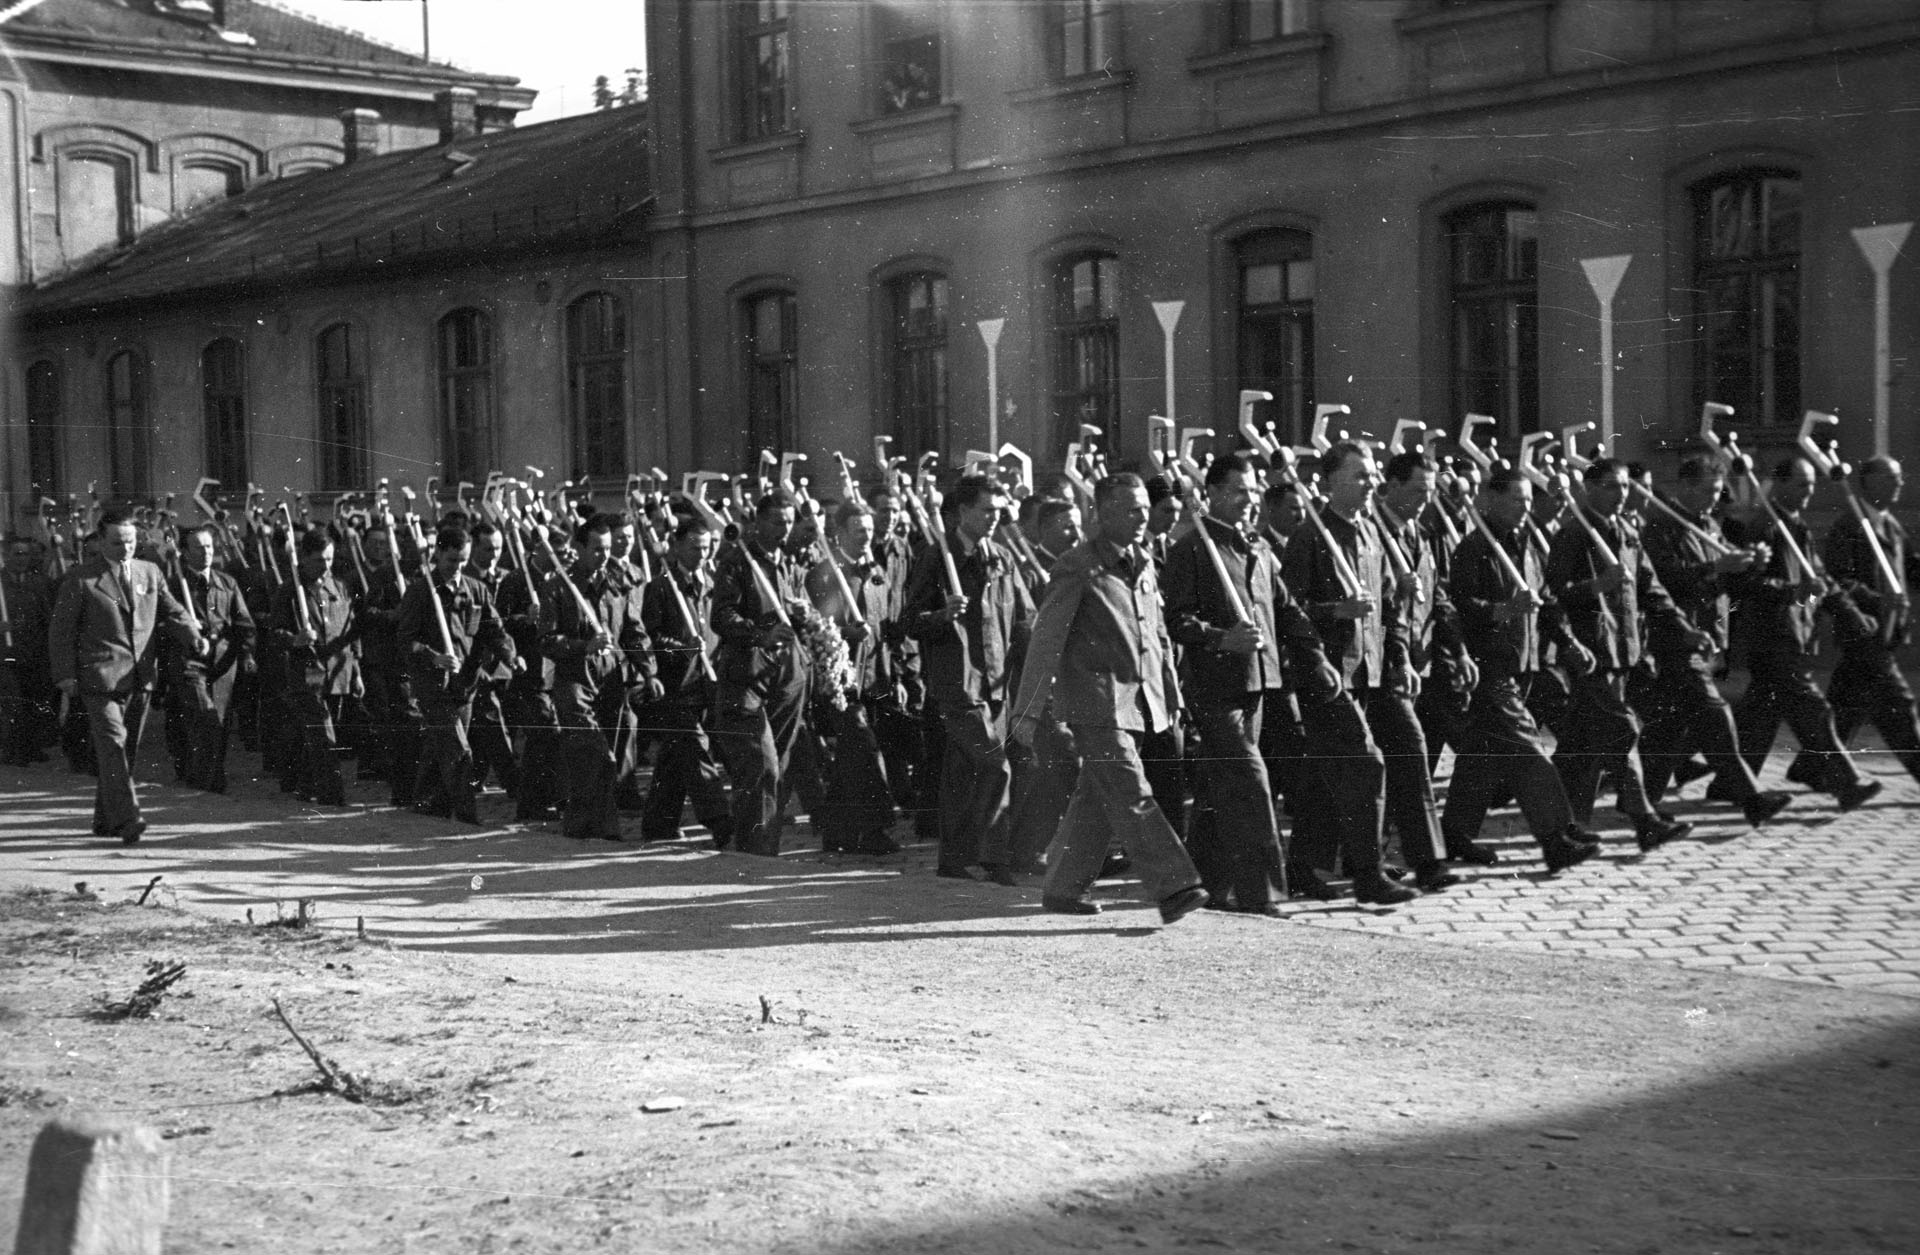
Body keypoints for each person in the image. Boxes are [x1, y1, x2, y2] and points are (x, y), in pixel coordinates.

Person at [1011, 473, 1209, 924]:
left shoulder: (1141, 562)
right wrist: (1028, 710)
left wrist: (1170, 693)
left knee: (1097, 796)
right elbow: (1047, 640)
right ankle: (1175, 885)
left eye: (1144, 509)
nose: (1143, 518)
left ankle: (1062, 887)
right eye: (1131, 510)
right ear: (1101, 513)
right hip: (1094, 703)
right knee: (1129, 788)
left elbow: (1154, 634)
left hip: (1138, 701)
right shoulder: (1077, 565)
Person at [1164, 453, 1336, 914]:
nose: (1249, 499)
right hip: (1215, 688)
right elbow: (1175, 620)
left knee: (1221, 787)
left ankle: (1203, 884)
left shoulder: (1258, 549)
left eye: (1253, 490)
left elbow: (1286, 610)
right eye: (1239, 491)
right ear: (1213, 494)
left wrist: (1316, 658)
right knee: (1251, 782)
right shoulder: (1192, 550)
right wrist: (1223, 638)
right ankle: (1263, 894)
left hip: (1260, 684)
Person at [1282, 443, 1441, 903]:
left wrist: (1399, 660)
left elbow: (1389, 607)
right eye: (1359, 476)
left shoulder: (1371, 534)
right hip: (1329, 677)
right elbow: (1289, 610)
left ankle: (1301, 867)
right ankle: (1368, 874)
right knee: (1364, 764)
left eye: (1372, 476)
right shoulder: (1310, 536)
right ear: (1331, 482)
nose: (1370, 483)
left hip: (1371, 672)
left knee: (1328, 774)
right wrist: (1335, 611)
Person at [1441, 467, 1605, 872]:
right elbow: (1458, 607)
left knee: (1481, 756)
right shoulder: (1474, 548)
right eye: (1516, 500)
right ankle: (1556, 838)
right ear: (1491, 501)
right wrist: (1502, 610)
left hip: (1525, 664)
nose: (1524, 507)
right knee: (1529, 750)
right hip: (1489, 667)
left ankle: (1453, 837)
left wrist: (1568, 644)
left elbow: (1546, 602)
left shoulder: (1531, 545)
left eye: (1529, 500)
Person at [1543, 459, 1702, 849]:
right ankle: (1644, 819)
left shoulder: (1628, 532)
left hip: (1624, 650)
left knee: (1581, 743)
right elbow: (1554, 595)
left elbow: (1651, 589)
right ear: (1589, 489)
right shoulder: (1574, 534)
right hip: (1591, 651)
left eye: (1626, 487)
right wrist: (1597, 585)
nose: (1622, 494)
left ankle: (1568, 822)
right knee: (1621, 729)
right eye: (1613, 487)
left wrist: (1685, 629)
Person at [1639, 447, 1792, 825]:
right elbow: (1665, 580)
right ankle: (1752, 798)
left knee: (1669, 728)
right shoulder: (1663, 524)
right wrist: (1716, 566)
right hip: (1676, 636)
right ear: (1687, 487)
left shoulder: (1708, 524)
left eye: (1718, 491)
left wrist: (1748, 564)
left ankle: (1642, 803)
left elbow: (1725, 582)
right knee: (1713, 712)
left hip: (1707, 635)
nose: (1714, 499)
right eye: (1709, 491)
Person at [48, 505, 206, 842]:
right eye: (118, 543)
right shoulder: (81, 579)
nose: (126, 549)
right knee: (113, 747)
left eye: (131, 541)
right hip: (99, 677)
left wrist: (193, 635)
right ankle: (128, 818)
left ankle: (105, 820)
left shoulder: (150, 572)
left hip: (140, 676)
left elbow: (172, 610)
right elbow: (61, 631)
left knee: (125, 751)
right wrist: (64, 674)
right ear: (102, 542)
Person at [902, 475, 1033, 882]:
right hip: (957, 681)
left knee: (963, 770)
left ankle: (953, 860)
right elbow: (908, 621)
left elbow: (1023, 618)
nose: (994, 518)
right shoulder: (936, 557)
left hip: (996, 682)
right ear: (962, 512)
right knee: (997, 766)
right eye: (986, 511)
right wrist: (942, 614)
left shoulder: (1001, 557)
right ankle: (995, 858)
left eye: (998, 511)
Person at [1729, 457, 1878, 810]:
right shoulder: (1765, 525)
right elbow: (1747, 583)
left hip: (1795, 632)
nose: (1809, 491)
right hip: (1772, 635)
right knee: (1813, 709)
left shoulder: (1798, 526)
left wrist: (1851, 613)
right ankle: (1847, 783)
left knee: (1760, 715)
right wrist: (1792, 589)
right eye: (1801, 484)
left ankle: (1730, 782)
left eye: (1812, 484)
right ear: (1779, 484)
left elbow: (1821, 580)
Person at [710, 492, 814, 856]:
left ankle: (759, 846)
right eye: (776, 522)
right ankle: (756, 853)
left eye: (788, 522)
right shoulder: (738, 562)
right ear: (757, 522)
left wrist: (803, 614)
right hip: (747, 675)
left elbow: (800, 611)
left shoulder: (788, 562)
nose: (783, 529)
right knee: (761, 765)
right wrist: (760, 634)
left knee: (777, 768)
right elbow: (721, 616)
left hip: (786, 676)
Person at [544, 513, 656, 843]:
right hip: (575, 680)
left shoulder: (617, 585)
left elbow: (634, 632)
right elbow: (546, 641)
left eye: (607, 549)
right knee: (595, 753)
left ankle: (581, 823)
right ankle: (605, 828)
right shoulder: (559, 587)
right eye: (596, 548)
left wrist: (648, 671)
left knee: (607, 755)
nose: (604, 555)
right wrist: (583, 645)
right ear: (579, 548)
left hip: (611, 682)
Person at [399, 525, 516, 824]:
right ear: (438, 554)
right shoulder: (421, 591)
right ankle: (467, 815)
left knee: (440, 746)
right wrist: (433, 656)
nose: (457, 568)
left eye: (463, 561)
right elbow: (404, 640)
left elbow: (494, 629)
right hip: (433, 685)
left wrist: (511, 657)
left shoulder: (476, 589)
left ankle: (426, 804)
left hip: (465, 685)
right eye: (451, 560)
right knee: (457, 748)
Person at [1816, 456, 1920, 786]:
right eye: (1891, 478)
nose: (1900, 484)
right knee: (1898, 705)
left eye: (1900, 477)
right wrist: (1878, 601)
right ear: (1870, 482)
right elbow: (1839, 579)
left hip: (1886, 631)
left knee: (1847, 705)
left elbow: (1911, 568)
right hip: (1864, 629)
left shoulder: (1889, 524)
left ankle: (1814, 766)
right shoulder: (1851, 525)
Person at [639, 516, 734, 846]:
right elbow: (651, 636)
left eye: (706, 548)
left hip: (707, 683)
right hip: (675, 685)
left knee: (674, 757)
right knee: (694, 748)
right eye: (694, 548)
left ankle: (657, 823)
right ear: (677, 546)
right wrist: (680, 648)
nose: (701, 555)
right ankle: (720, 820)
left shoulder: (711, 584)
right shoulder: (662, 587)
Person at [268, 525, 361, 806]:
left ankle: (305, 785)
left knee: (320, 734)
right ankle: (332, 796)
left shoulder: (340, 586)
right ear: (305, 557)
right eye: (320, 559)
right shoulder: (290, 590)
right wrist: (294, 639)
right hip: (307, 672)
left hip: (339, 671)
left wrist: (356, 672)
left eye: (330, 559)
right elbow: (274, 632)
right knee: (323, 733)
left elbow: (350, 630)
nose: (325, 566)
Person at [161, 524, 254, 794]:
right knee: (205, 717)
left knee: (220, 722)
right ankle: (205, 779)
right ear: (185, 553)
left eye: (210, 547)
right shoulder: (174, 586)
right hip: (189, 661)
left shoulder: (227, 583)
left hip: (223, 662)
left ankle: (207, 775)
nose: (206, 553)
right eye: (199, 548)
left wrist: (247, 653)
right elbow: (163, 624)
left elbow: (243, 623)